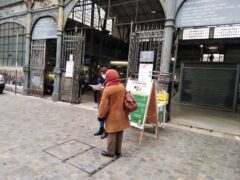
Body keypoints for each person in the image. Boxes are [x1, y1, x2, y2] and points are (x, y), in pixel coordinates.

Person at [98, 69, 130, 157]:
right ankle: (118, 151)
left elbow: (103, 105)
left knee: (111, 132)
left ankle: (110, 152)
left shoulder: (108, 89)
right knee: (119, 131)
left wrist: (101, 116)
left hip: (112, 115)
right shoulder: (121, 86)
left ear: (108, 77)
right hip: (122, 113)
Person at [94, 67, 108, 139]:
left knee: (106, 116)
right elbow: (99, 85)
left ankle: (107, 130)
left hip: (106, 101)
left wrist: (102, 88)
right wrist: (96, 87)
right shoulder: (100, 78)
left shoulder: (109, 80)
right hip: (100, 99)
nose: (102, 74)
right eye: (101, 73)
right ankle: (101, 129)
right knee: (100, 115)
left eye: (103, 73)